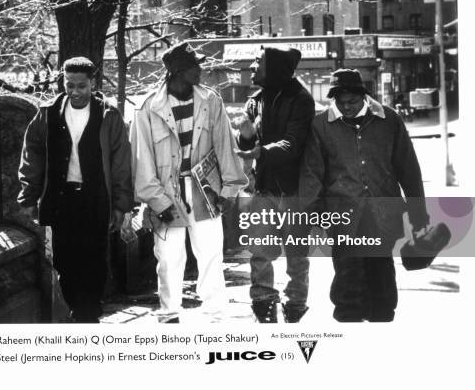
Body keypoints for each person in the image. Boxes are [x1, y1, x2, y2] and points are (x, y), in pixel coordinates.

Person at [131, 41, 248, 322]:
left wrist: (229, 190)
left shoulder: (211, 100)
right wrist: (157, 202)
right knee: (169, 259)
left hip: (204, 190)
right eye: (194, 65)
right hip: (166, 192)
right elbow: (141, 159)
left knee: (210, 255)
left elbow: (225, 147)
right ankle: (169, 315)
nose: (200, 69)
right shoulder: (148, 107)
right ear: (179, 71)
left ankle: (215, 317)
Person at [300, 68, 429, 322]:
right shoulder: (320, 126)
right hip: (343, 216)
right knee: (348, 283)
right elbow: (312, 174)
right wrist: (311, 217)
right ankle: (350, 333)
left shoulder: (389, 120)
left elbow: (409, 170)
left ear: (364, 97)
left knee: (381, 280)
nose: (346, 107)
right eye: (340, 102)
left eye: (352, 101)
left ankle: (381, 329)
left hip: (384, 214)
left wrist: (418, 214)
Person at [18, 57, 133, 323]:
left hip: (96, 198)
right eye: (70, 85)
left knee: (94, 260)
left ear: (92, 83)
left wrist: (121, 204)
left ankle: (88, 316)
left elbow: (121, 162)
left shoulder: (108, 115)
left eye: (81, 86)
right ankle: (78, 310)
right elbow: (31, 153)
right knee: (64, 261)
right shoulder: (48, 113)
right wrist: (29, 194)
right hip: (61, 199)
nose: (75, 91)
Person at [236, 47, 315, 323]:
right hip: (264, 188)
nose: (252, 65)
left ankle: (295, 305)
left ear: (276, 68)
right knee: (260, 250)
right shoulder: (254, 101)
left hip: (294, 189)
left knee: (296, 254)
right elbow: (248, 144)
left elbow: (294, 143)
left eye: (258, 62)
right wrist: (245, 138)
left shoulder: (301, 99)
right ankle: (264, 304)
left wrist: (261, 152)